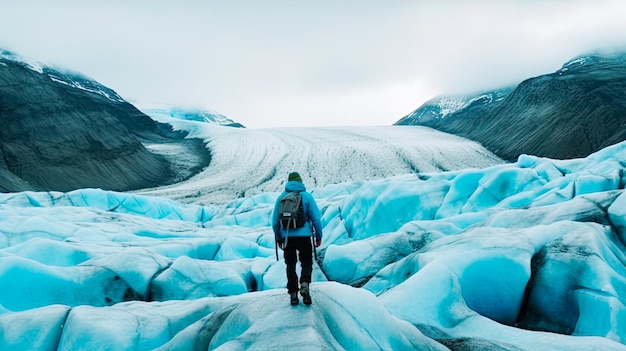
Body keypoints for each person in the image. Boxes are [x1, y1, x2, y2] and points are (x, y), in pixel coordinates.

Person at [272, 171, 323, 305]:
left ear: (288, 182)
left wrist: (279, 238)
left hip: (287, 236)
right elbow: (316, 219)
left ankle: (293, 294)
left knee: (290, 265)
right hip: (305, 236)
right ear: (300, 182)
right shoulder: (307, 196)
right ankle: (305, 285)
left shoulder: (281, 197)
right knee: (306, 262)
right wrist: (318, 236)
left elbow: (275, 222)